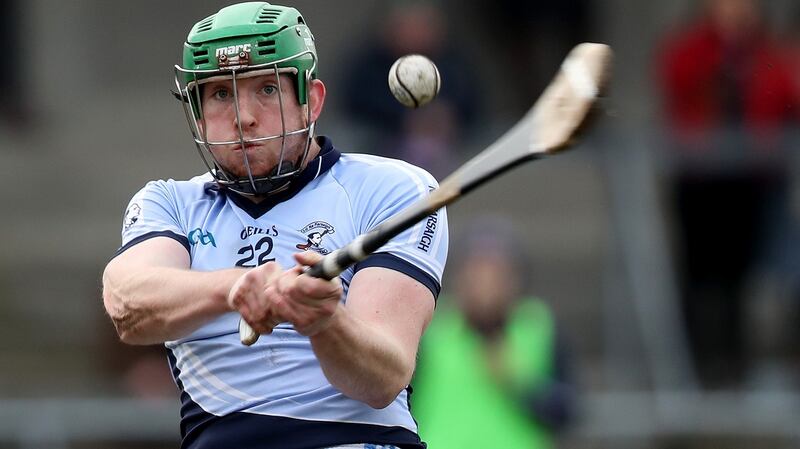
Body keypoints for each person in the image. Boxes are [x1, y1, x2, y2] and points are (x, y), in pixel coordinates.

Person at [101, 3, 448, 449]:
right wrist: (236, 288)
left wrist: (325, 323)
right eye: (221, 94)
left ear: (311, 102)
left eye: (266, 89)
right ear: (198, 114)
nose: (243, 116)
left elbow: (382, 379)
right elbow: (128, 304)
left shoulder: (391, 189)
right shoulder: (170, 203)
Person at [656, 0, 799, 387]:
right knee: (701, 281)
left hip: (750, 185)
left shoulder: (767, 51)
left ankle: (735, 367)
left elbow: (786, 93)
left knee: (741, 282)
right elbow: (678, 83)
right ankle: (699, 369)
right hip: (701, 187)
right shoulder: (693, 49)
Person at [412, 218, 574, 449]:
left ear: (515, 280)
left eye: (496, 274)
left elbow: (566, 412)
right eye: (476, 273)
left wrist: (521, 384)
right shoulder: (430, 327)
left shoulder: (540, 326)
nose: (485, 285)